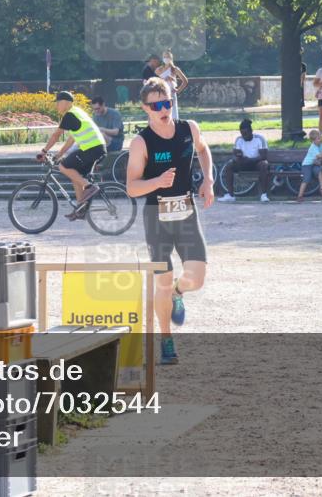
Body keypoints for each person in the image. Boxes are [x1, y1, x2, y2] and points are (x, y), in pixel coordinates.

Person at [125, 77, 214, 365]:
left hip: (186, 212)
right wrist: (157, 181)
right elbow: (131, 187)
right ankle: (166, 339)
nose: (164, 109)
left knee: (197, 279)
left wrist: (208, 180)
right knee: (161, 282)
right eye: (157, 105)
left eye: (167, 103)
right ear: (145, 109)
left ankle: (179, 292)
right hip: (157, 217)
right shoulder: (141, 142)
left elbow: (203, 149)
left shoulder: (189, 128)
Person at [38, 91, 107, 220]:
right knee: (75, 175)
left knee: (63, 167)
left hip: (91, 149)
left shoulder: (69, 115)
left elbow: (56, 135)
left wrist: (44, 151)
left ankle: (89, 187)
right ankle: (80, 209)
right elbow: (72, 139)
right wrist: (58, 154)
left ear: (66, 102)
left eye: (58, 102)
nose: (56, 106)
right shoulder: (77, 113)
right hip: (97, 148)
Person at [220, 119, 271, 203]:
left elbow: (263, 156)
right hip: (244, 163)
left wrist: (251, 160)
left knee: (264, 164)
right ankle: (230, 195)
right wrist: (238, 156)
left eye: (246, 133)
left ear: (251, 131)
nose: (244, 136)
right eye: (242, 134)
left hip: (256, 164)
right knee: (229, 165)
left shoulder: (259, 139)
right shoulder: (239, 140)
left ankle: (264, 195)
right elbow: (236, 153)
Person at [155, 50, 189, 120]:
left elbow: (185, 81)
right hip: (161, 94)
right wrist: (164, 80)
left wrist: (178, 90)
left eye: (168, 57)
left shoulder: (175, 69)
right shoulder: (158, 70)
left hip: (171, 94)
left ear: (171, 58)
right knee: (162, 113)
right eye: (164, 56)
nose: (166, 58)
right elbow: (154, 82)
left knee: (172, 115)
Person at [296, 129, 322, 202]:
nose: (320, 139)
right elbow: (319, 156)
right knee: (307, 178)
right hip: (307, 165)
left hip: (314, 164)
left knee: (319, 171)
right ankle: (300, 195)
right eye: (318, 139)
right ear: (313, 141)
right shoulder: (313, 147)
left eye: (321, 137)